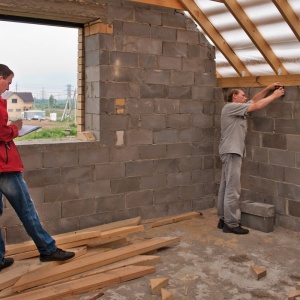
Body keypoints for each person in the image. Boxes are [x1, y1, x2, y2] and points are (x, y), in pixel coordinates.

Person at [0, 64, 75, 271]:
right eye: (8, 81)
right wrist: (16, 127)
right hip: (4, 167)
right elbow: (3, 132)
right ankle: (47, 250)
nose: (9, 86)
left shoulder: (1, 102)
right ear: (0, 77)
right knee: (27, 211)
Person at [217, 82, 285, 234]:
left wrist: (268, 89)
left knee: (225, 186)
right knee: (233, 189)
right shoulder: (230, 107)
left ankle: (223, 219)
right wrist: (275, 95)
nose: (245, 97)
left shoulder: (236, 108)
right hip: (232, 152)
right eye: (243, 95)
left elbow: (254, 101)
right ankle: (231, 223)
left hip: (229, 151)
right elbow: (257, 106)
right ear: (234, 96)